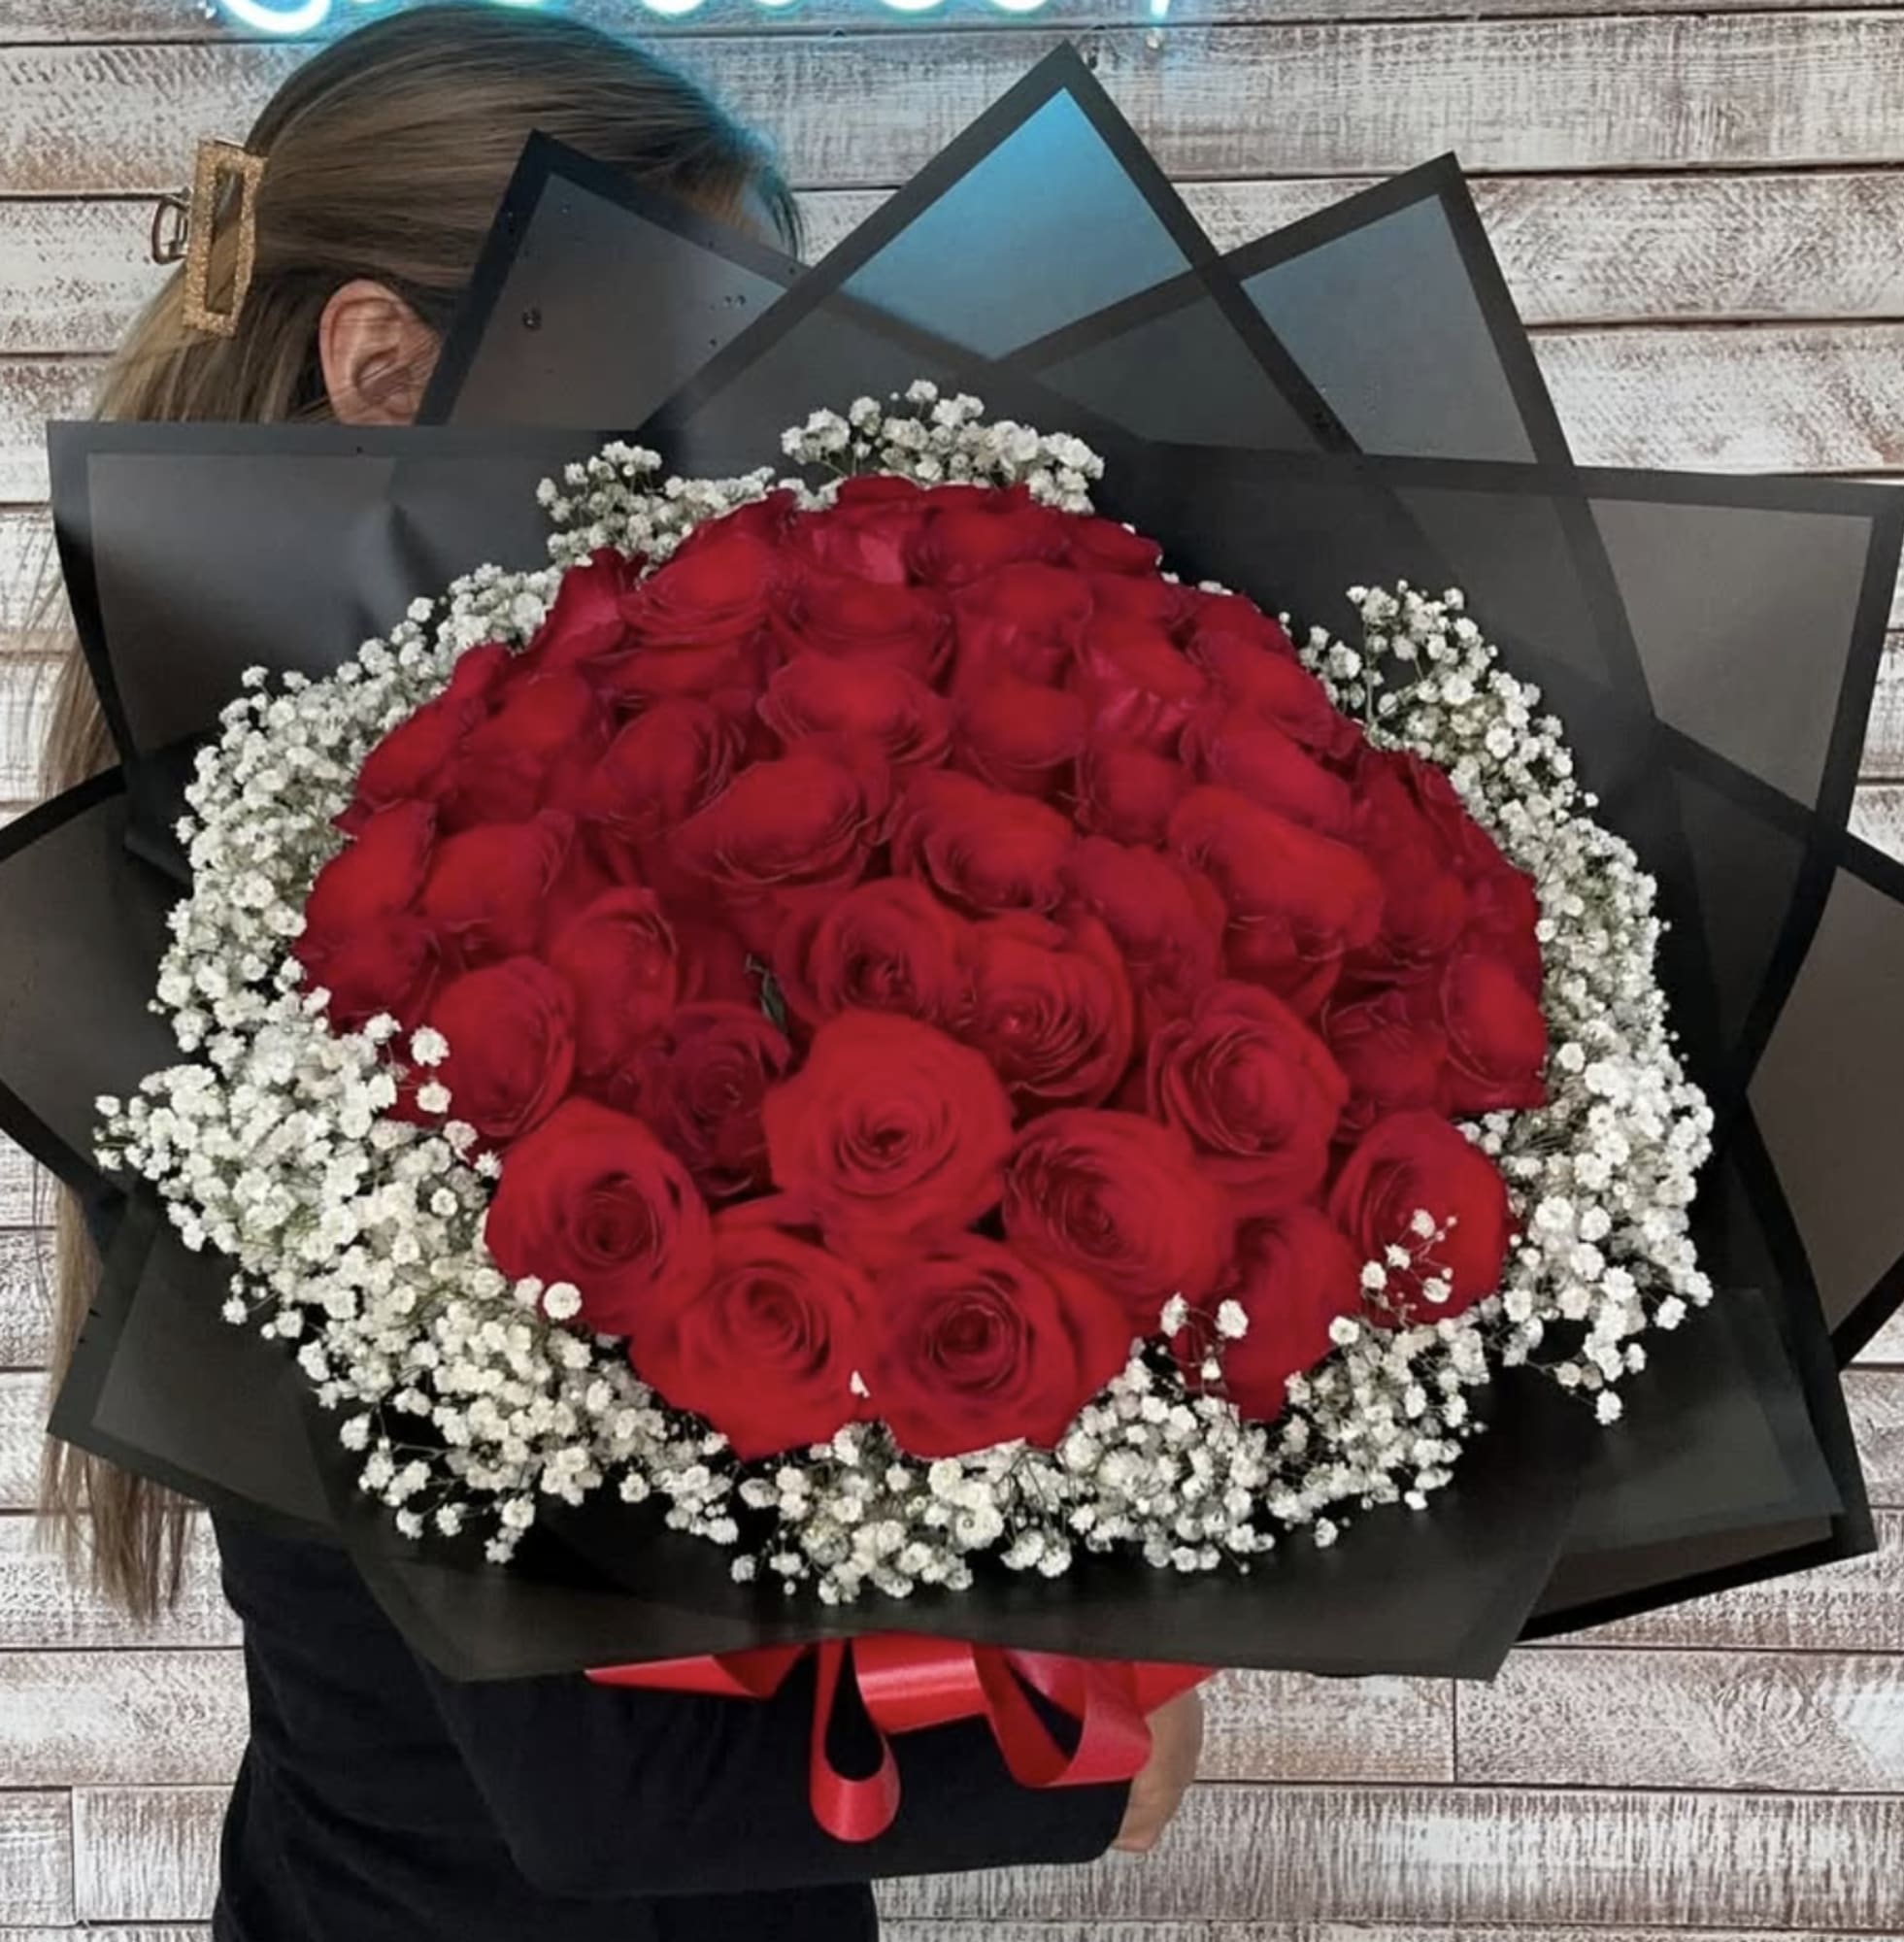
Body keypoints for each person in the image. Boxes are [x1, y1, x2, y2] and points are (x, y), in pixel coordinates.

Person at [32, 10, 1204, 1940]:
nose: (749, 448)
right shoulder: (306, 944)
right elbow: (591, 1781)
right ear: (388, 368)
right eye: (695, 365)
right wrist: (1083, 1762)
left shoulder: (530, 843)